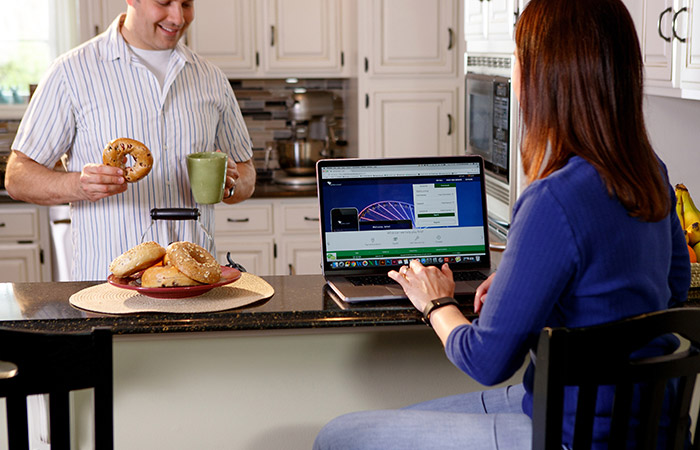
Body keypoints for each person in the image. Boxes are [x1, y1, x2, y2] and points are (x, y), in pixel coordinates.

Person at [313, 0, 691, 449]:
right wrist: (524, 287)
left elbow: (486, 363)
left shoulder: (554, 199)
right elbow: (674, 287)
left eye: (519, 60)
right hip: (649, 427)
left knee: (339, 437)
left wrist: (436, 303)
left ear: (544, 77)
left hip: (572, 435)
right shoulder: (651, 172)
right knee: (394, 423)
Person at [5, 0, 255, 282]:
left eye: (186, 4)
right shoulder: (71, 72)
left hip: (195, 287)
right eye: (164, 2)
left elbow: (247, 172)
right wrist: (80, 185)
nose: (177, 17)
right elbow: (17, 176)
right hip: (107, 290)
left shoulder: (211, 78)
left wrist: (231, 186)